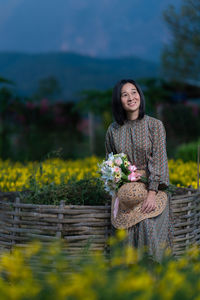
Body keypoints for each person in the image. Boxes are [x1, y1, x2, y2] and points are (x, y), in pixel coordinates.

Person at [105, 79, 174, 263]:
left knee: (146, 223)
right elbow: (110, 163)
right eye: (124, 94)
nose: (131, 98)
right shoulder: (113, 130)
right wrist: (118, 188)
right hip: (127, 195)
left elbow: (159, 160)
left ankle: (153, 271)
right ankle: (129, 278)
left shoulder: (155, 125)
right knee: (123, 232)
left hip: (152, 189)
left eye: (134, 92)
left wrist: (152, 193)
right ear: (118, 100)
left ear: (140, 95)